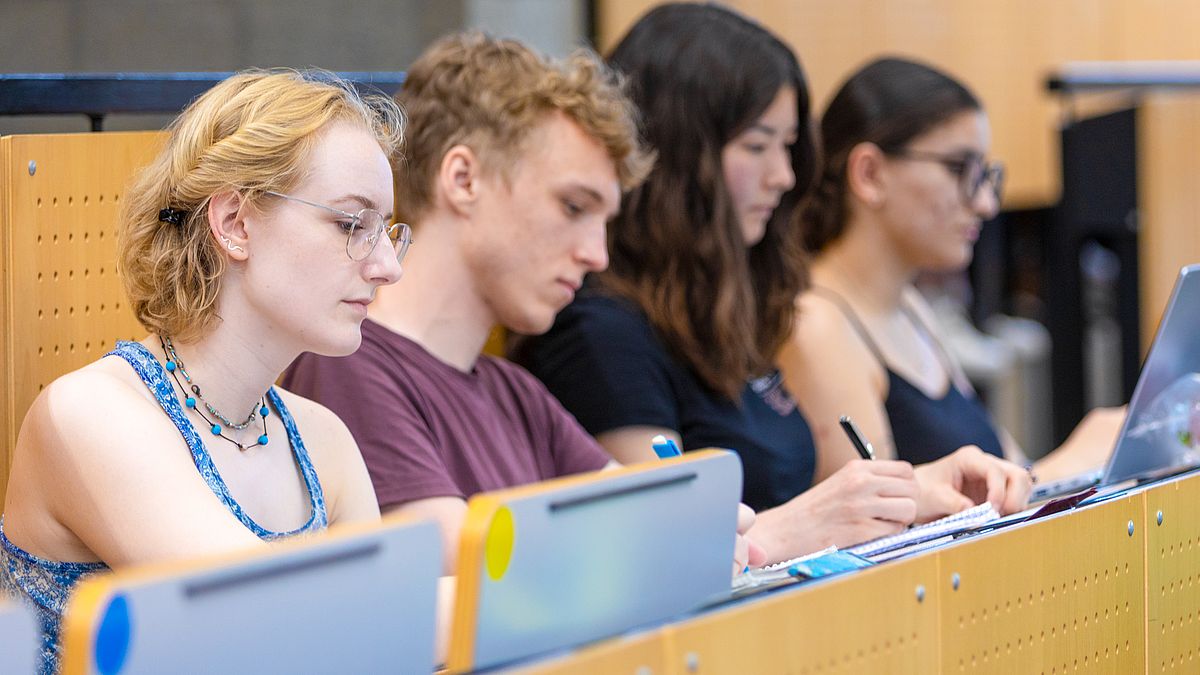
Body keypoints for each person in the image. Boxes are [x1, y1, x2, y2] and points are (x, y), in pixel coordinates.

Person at [517, 3, 1032, 565]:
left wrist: (917, 491)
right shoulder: (602, 335)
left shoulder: (722, 317)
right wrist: (808, 522)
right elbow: (659, 558)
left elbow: (792, 506)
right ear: (679, 158)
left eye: (787, 147)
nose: (783, 176)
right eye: (757, 146)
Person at [279, 33, 760, 575]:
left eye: (604, 222)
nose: (596, 254)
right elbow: (464, 566)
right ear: (464, 179)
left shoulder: (518, 394)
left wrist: (703, 531)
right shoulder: (348, 363)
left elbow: (655, 517)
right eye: (573, 206)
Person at [0, 69, 407, 673]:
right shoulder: (90, 415)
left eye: (388, 231)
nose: (386, 268)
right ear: (235, 224)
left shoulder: (324, 439)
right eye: (352, 224)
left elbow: (380, 644)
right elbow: (267, 625)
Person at [782, 57, 1123, 487]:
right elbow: (881, 535)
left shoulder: (907, 304)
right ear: (869, 174)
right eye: (960, 170)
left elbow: (1012, 471)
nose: (985, 203)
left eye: (985, 176)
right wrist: (1074, 460)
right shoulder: (819, 328)